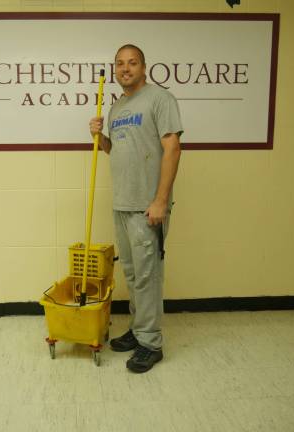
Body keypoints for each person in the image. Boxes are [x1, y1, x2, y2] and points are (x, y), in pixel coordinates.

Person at [89, 44, 183, 373]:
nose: (125, 68)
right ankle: (138, 328)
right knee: (131, 273)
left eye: (132, 63)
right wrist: (100, 139)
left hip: (148, 205)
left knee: (148, 275)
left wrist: (159, 199)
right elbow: (117, 152)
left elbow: (172, 148)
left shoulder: (160, 99)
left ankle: (151, 342)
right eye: (120, 64)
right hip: (122, 203)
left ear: (144, 67)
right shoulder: (116, 107)